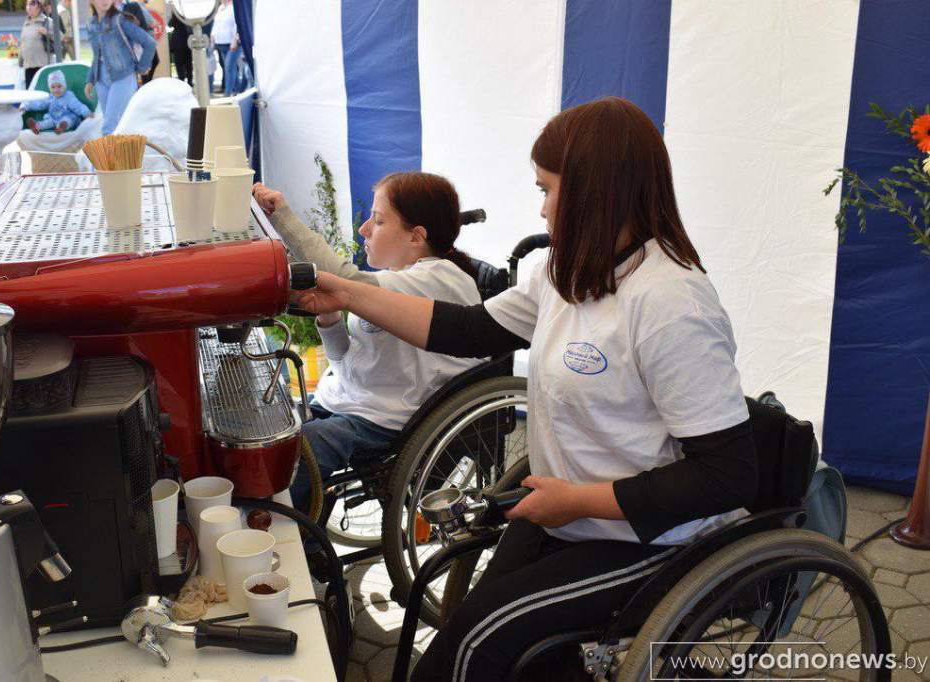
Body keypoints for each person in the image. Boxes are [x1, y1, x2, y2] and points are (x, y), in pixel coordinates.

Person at [292, 97, 758, 681]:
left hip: (648, 539)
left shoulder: (672, 304)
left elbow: (728, 474)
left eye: (546, 190)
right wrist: (348, 293)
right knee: (456, 638)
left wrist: (576, 502)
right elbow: (468, 329)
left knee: (477, 647)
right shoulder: (567, 270)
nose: (540, 210)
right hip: (563, 513)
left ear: (594, 192)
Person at [252, 172, 485, 525]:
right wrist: (329, 321)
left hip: (386, 419)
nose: (364, 230)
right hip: (351, 402)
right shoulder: (396, 281)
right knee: (267, 434)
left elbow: (343, 278)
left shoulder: (439, 279)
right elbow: (349, 366)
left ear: (416, 236)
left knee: (294, 454)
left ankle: (283, 540)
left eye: (377, 220)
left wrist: (281, 215)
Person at [85, 0, 155, 135]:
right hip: (101, 79)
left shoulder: (120, 21)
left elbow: (149, 43)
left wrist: (142, 67)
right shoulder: (91, 24)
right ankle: (124, 155)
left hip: (123, 77)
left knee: (109, 127)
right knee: (116, 125)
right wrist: (90, 80)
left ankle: (110, 156)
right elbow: (96, 55)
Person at [22, 70, 90, 133]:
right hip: (53, 118)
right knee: (47, 122)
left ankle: (62, 127)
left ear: (64, 86)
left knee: (67, 120)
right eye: (53, 87)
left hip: (67, 116)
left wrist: (87, 113)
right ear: (50, 88)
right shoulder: (50, 97)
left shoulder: (69, 96)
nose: (56, 90)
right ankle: (36, 127)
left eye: (59, 86)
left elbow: (78, 106)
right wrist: (26, 106)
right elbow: (40, 104)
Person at [19, 0, 52, 87]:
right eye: (27, 4)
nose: (28, 7)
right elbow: (23, 43)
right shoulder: (26, 23)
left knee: (42, 93)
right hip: (28, 66)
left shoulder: (47, 21)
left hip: (42, 66)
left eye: (32, 4)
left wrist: (47, 33)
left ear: (39, 7)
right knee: (30, 94)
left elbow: (60, 38)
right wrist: (20, 59)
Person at [210, 0, 234, 94]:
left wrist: (235, 39)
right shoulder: (221, 8)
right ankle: (234, 89)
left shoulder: (233, 8)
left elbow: (237, 24)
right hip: (221, 43)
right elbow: (216, 24)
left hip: (232, 43)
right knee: (227, 67)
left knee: (229, 66)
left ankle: (229, 92)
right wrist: (212, 35)